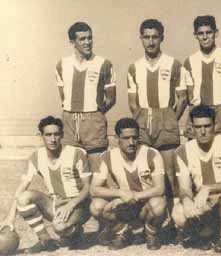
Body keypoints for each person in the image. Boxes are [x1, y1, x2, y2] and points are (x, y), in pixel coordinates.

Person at [0, 116, 92, 253]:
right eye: (48, 135)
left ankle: (75, 233)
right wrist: (10, 217)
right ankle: (46, 240)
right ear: (41, 136)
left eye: (56, 134)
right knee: (24, 198)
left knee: (60, 228)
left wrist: (71, 204)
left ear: (62, 135)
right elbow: (22, 187)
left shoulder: (76, 154)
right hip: (55, 204)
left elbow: (87, 187)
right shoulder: (36, 157)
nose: (53, 139)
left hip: (79, 205)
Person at [127, 19, 189, 205]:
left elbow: (183, 97)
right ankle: (149, 215)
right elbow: (132, 102)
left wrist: (169, 119)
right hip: (143, 120)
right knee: (144, 169)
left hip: (166, 118)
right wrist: (143, 119)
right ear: (141, 39)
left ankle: (174, 216)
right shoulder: (134, 67)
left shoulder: (173, 64)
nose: (151, 41)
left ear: (161, 38)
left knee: (170, 172)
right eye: (146, 37)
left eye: (155, 37)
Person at [171, 105, 221, 252]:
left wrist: (208, 188)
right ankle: (202, 234)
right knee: (178, 214)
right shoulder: (182, 152)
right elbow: (184, 188)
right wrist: (186, 201)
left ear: (215, 126)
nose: (202, 132)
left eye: (207, 126)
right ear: (192, 128)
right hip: (202, 202)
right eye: (198, 127)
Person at [90, 118, 166, 250]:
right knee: (96, 206)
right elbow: (94, 189)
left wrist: (135, 195)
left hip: (145, 205)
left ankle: (150, 232)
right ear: (116, 138)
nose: (131, 142)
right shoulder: (106, 156)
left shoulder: (151, 154)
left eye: (135, 138)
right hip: (123, 205)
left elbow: (160, 188)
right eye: (126, 138)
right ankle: (122, 231)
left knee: (159, 203)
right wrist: (120, 193)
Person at [55, 22, 116, 173]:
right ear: (72, 42)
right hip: (69, 120)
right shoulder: (62, 64)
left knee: (98, 168)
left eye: (90, 38)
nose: (87, 42)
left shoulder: (104, 64)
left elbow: (111, 98)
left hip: (93, 120)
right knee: (71, 168)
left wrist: (95, 113)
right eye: (82, 39)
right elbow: (64, 97)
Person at [184, 15, 221, 138]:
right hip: (199, 113)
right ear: (195, 35)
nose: (205, 37)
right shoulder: (189, 61)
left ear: (216, 33)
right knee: (198, 155)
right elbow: (190, 97)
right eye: (201, 34)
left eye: (208, 32)